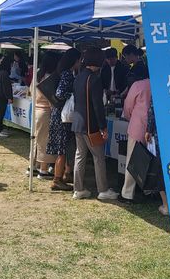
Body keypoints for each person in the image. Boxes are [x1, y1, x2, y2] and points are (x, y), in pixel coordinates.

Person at [72, 47, 117, 201]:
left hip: (77, 122)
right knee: (98, 157)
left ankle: (78, 189)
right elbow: (97, 106)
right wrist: (103, 127)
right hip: (91, 125)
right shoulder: (94, 79)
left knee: (80, 156)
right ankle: (103, 190)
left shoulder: (78, 77)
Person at [47, 48, 81, 192]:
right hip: (62, 116)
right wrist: (71, 94)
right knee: (62, 149)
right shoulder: (67, 74)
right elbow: (60, 93)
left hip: (58, 113)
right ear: (75, 60)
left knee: (64, 147)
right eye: (79, 60)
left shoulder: (62, 72)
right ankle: (57, 179)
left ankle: (64, 174)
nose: (80, 63)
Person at [120, 64, 151, 203]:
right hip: (155, 128)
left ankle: (128, 193)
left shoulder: (138, 85)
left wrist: (129, 117)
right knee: (152, 160)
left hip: (138, 125)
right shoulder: (159, 83)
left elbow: (128, 105)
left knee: (132, 159)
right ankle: (150, 190)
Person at [29, 52, 59, 180]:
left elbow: (30, 90)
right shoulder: (50, 77)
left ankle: (32, 166)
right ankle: (44, 169)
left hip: (36, 109)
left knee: (36, 139)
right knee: (45, 141)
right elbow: (51, 99)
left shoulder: (37, 74)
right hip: (46, 111)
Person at [145, 100, 170, 215]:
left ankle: (166, 206)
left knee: (161, 170)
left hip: (162, 137)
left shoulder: (157, 88)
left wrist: (148, 130)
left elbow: (152, 113)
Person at [0, 55, 13, 138]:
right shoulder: (4, 74)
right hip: (1, 97)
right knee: (0, 114)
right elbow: (6, 87)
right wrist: (9, 97)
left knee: (0, 113)